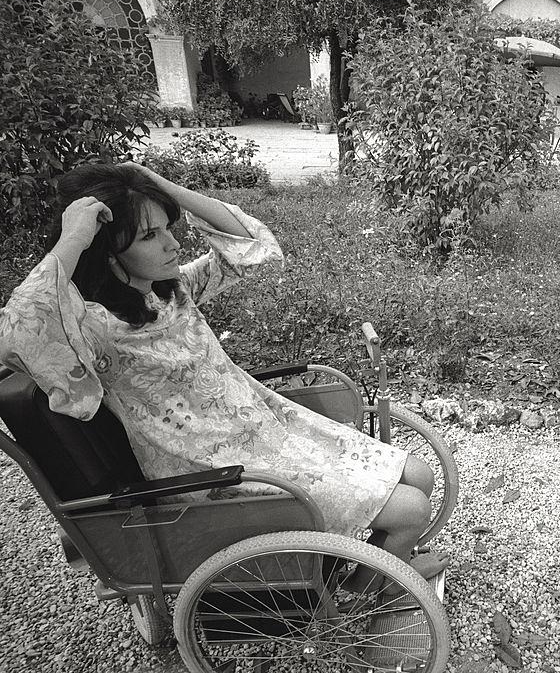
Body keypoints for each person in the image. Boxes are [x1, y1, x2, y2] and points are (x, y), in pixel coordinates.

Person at [0, 162, 449, 586]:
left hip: (269, 435)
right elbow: (17, 332)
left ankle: (366, 567)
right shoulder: (95, 328)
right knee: (411, 510)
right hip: (212, 468)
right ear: (109, 255)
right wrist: (74, 238)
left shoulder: (171, 293)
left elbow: (251, 244)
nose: (172, 244)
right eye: (150, 236)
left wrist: (164, 187)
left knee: (421, 476)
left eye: (168, 229)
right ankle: (372, 590)